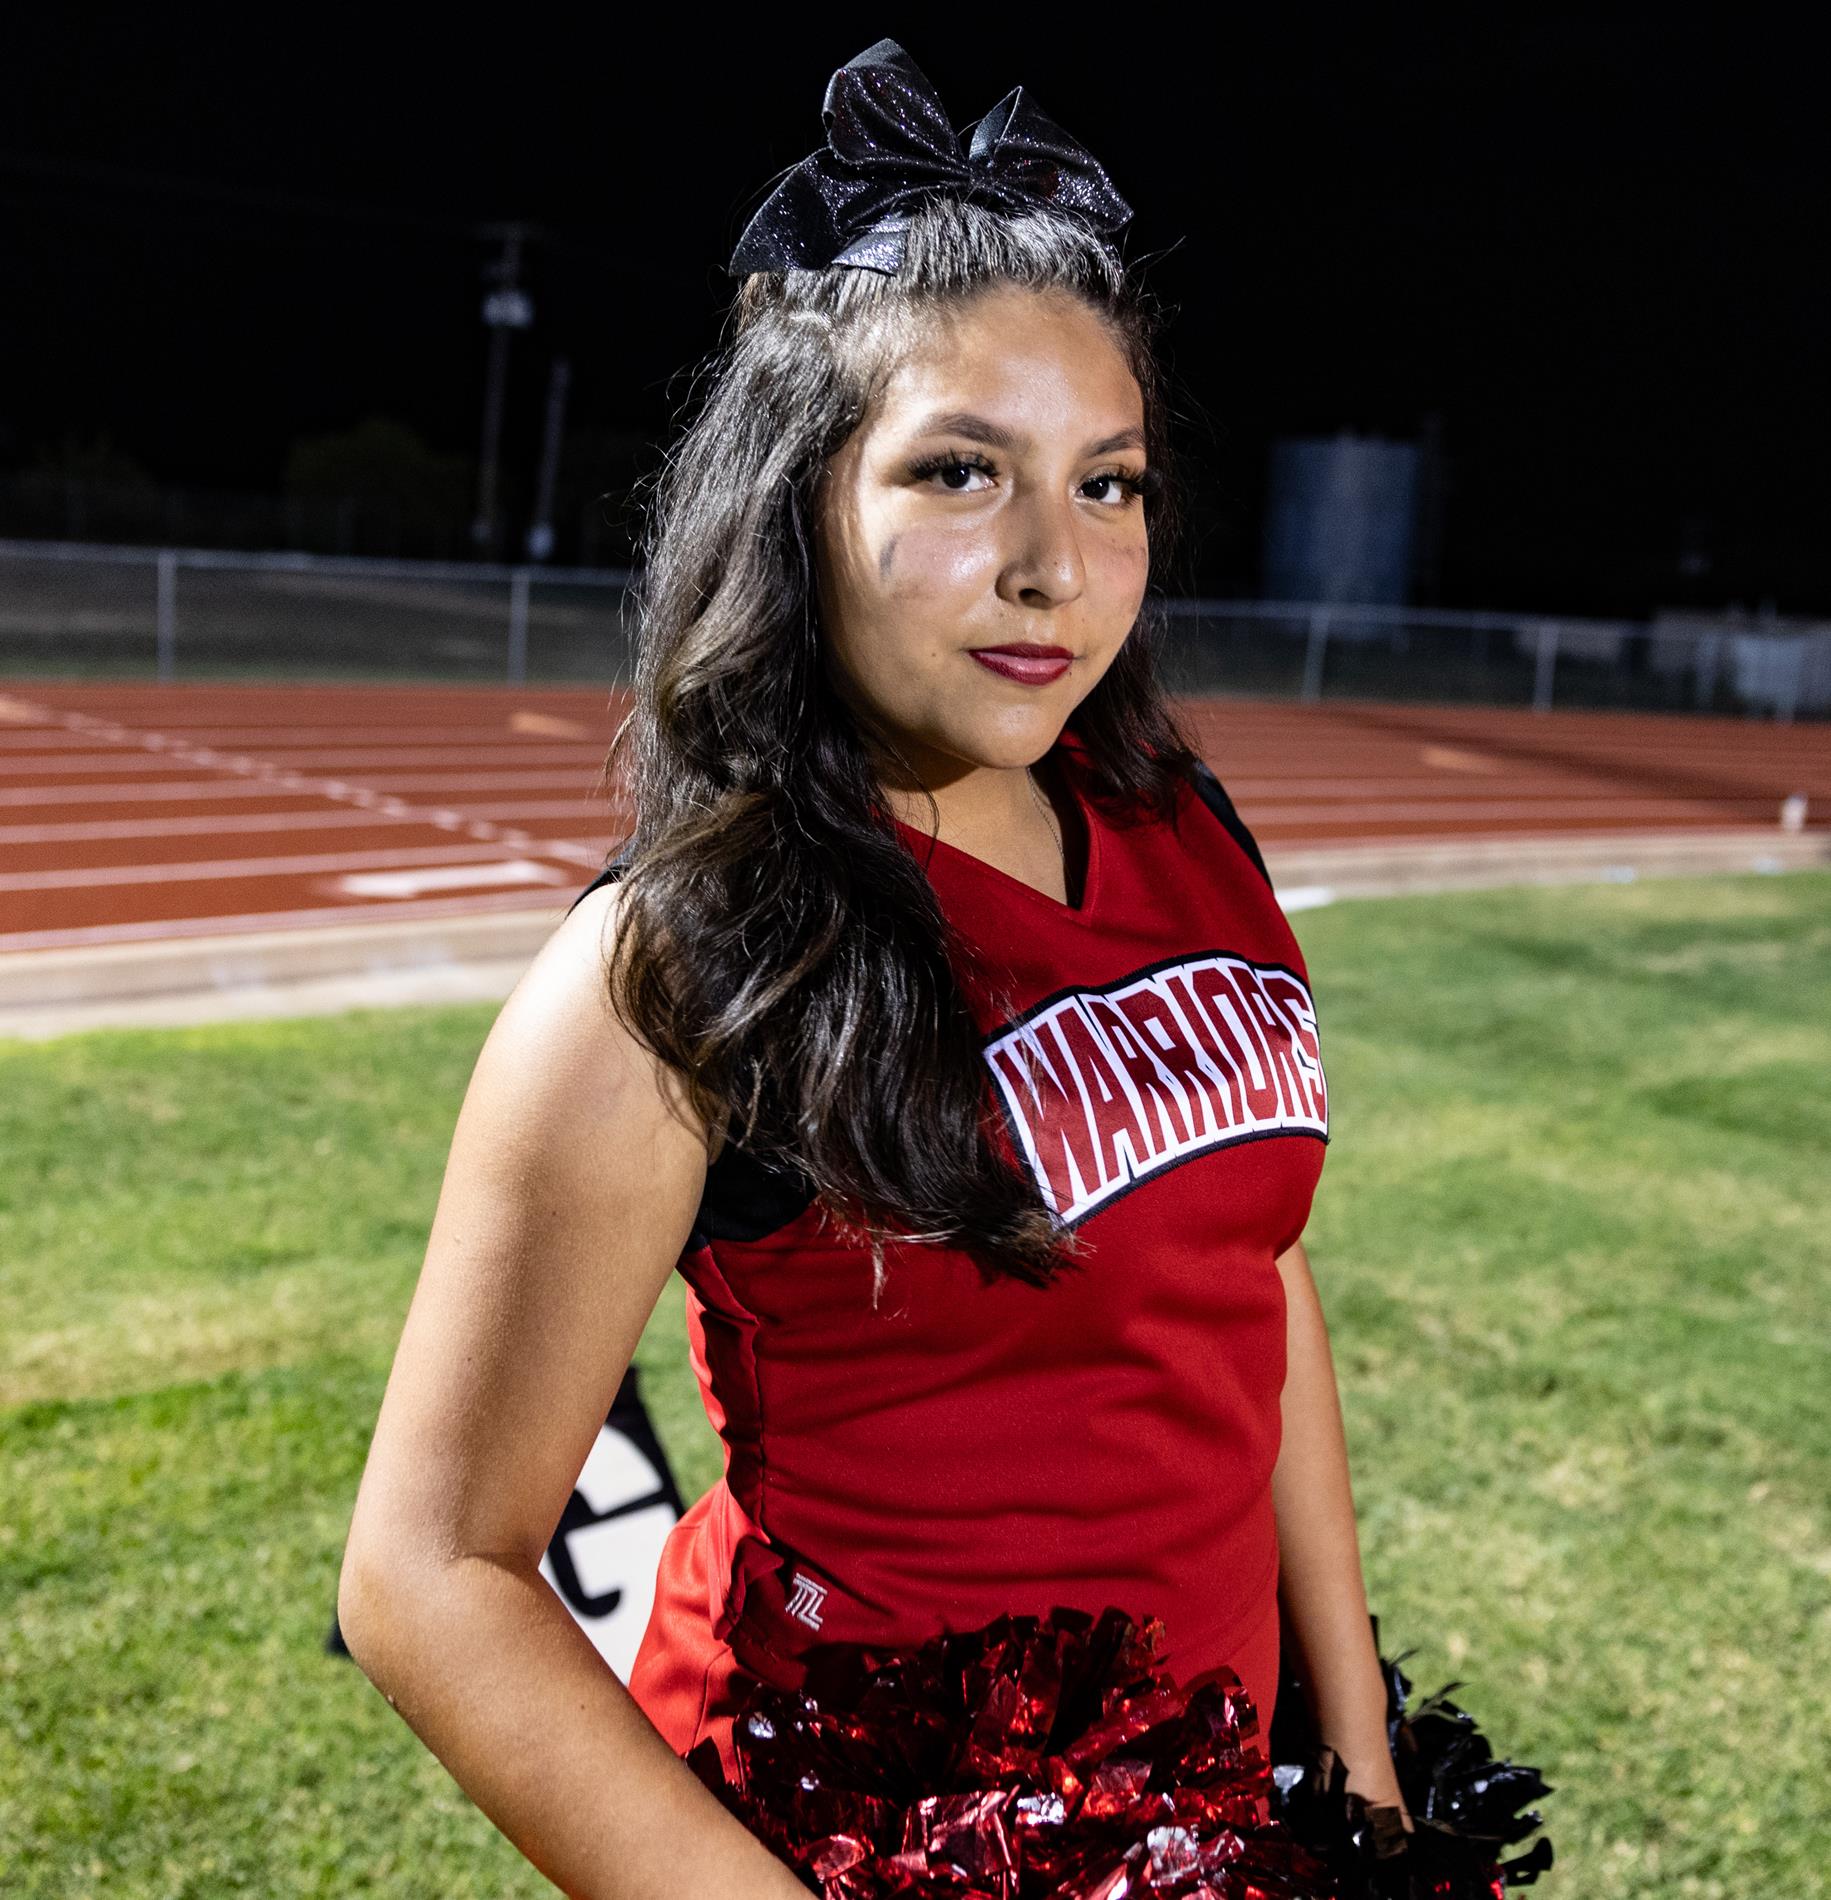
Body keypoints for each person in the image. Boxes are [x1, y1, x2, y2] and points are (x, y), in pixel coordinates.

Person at [337, 39, 1411, 1897]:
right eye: (960, 473)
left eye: (1112, 486)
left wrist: (1362, 1762)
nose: (1053, 568)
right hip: (888, 1836)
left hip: (1233, 1802)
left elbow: (1254, 1275)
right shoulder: (669, 968)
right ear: (799, 500)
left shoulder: (1178, 822)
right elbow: (429, 1578)